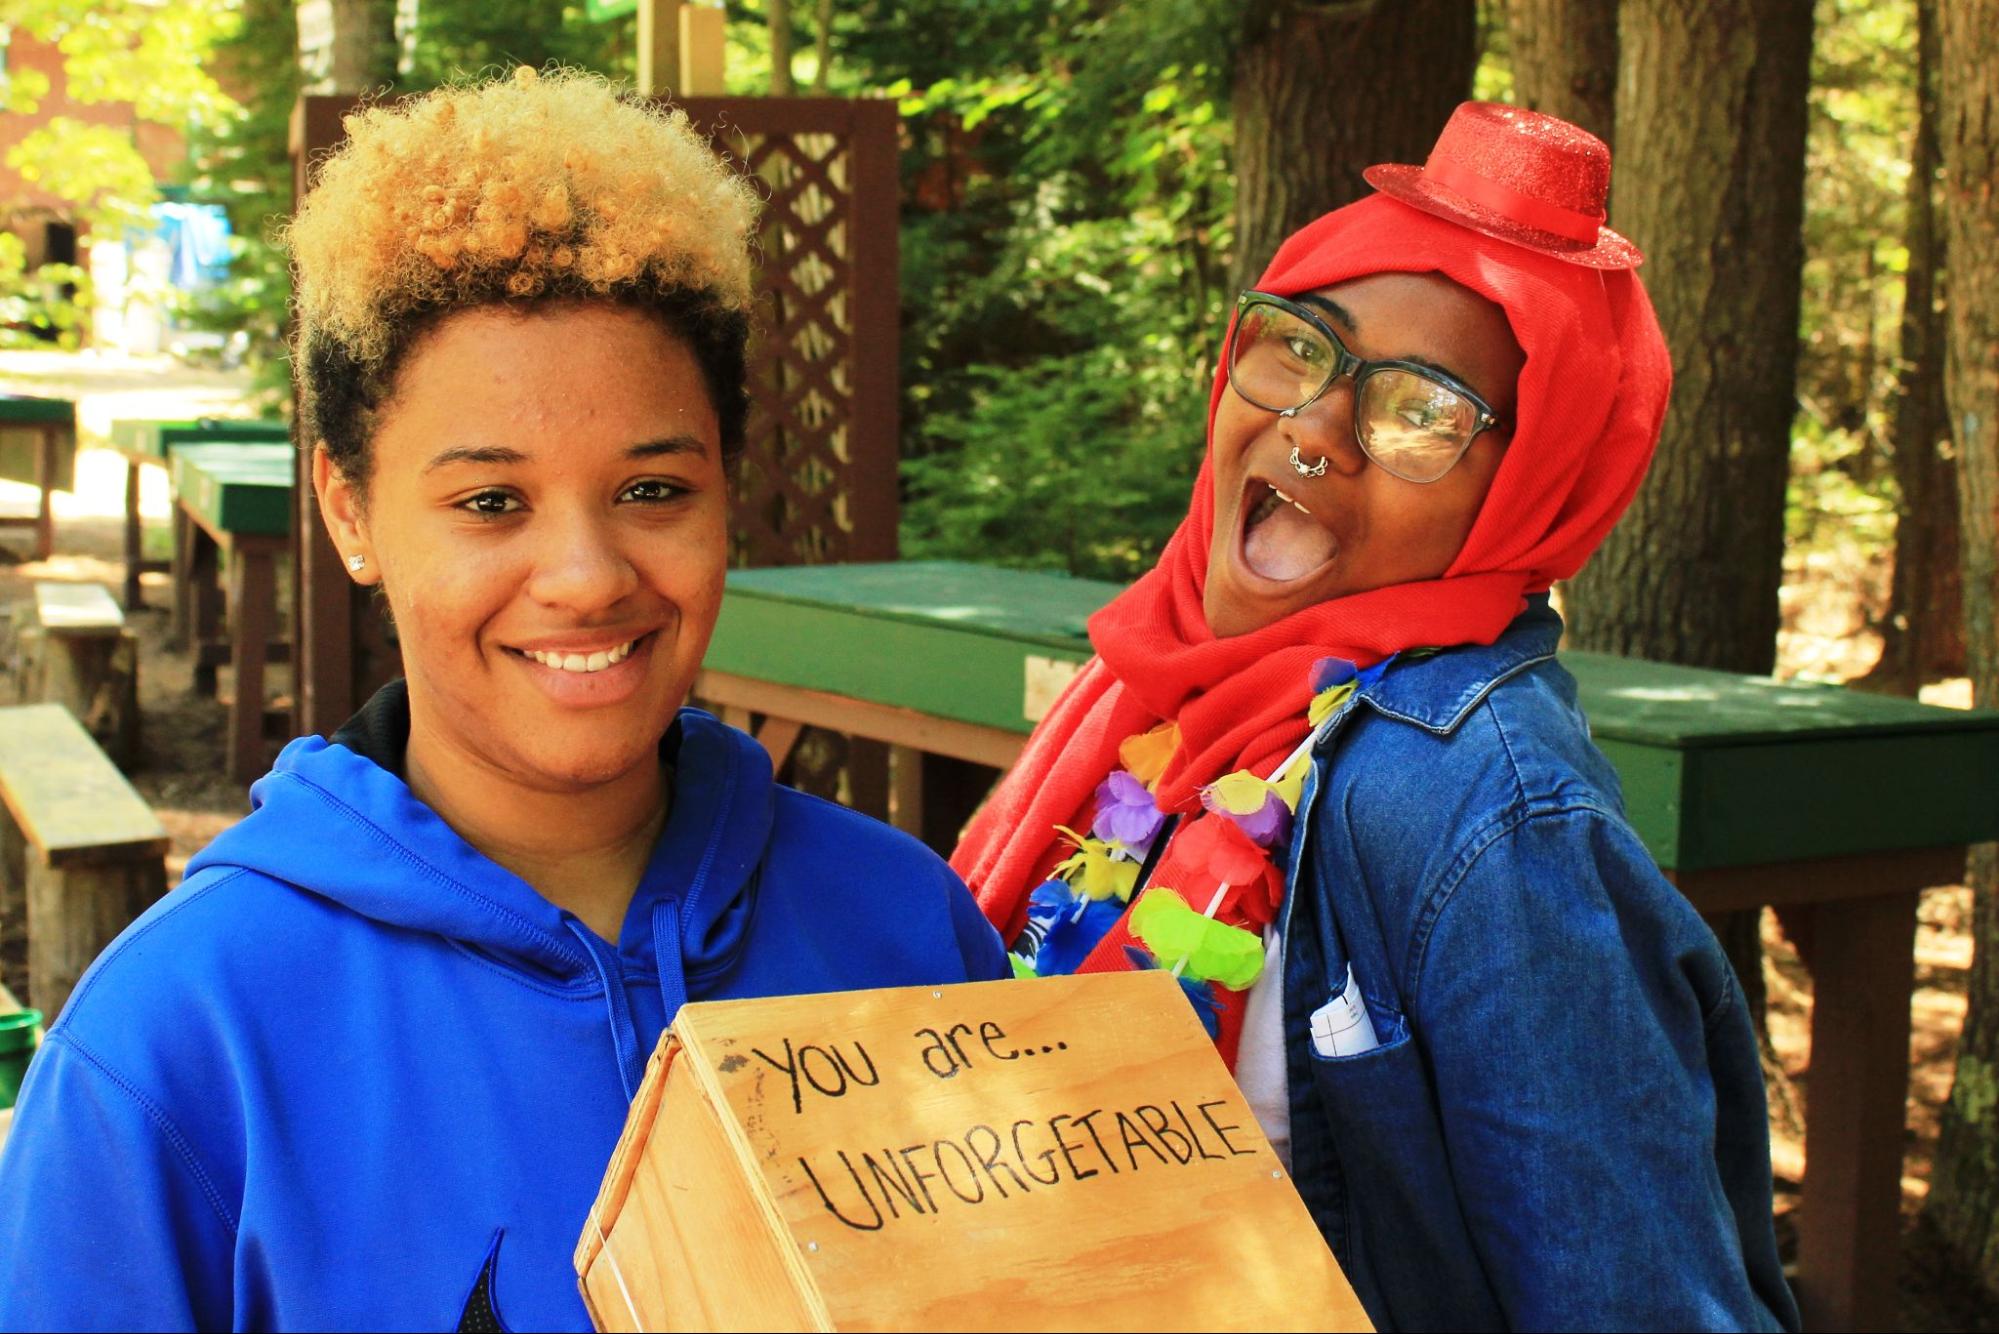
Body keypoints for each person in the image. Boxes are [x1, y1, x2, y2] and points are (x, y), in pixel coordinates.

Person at [0, 69, 1005, 1331]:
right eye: (490, 502)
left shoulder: (904, 926)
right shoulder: (182, 1039)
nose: (587, 576)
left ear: (725, 491)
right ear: (350, 509)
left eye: (653, 491)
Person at [954, 103, 1800, 1332]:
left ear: (1525, 493)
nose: (1313, 428)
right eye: (1302, 347)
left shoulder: (1487, 814)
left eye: (1421, 412)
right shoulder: (1152, 691)